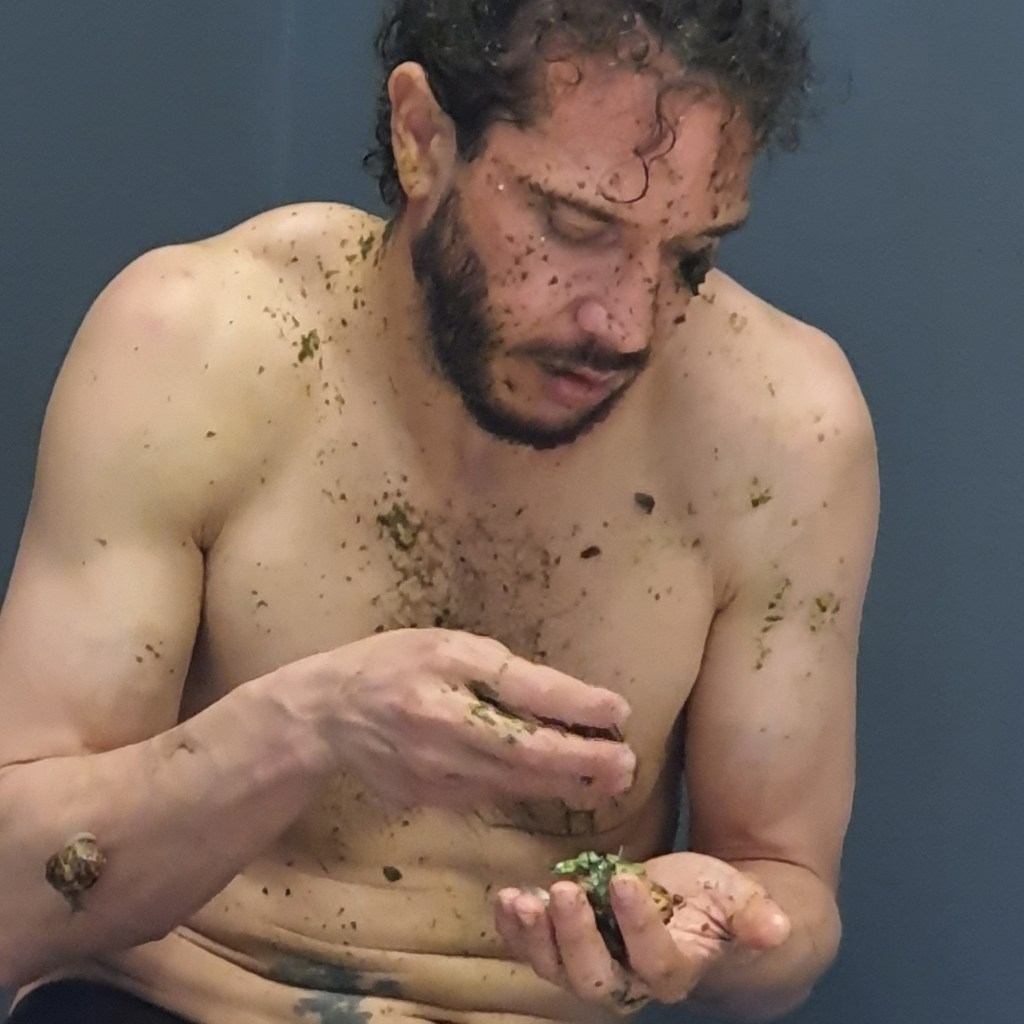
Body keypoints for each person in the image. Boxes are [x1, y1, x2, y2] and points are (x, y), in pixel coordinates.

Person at [0, 1, 879, 1022]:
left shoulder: (782, 426)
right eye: (576, 226)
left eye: (690, 254)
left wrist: (713, 929)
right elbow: (13, 892)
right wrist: (310, 727)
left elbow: (788, 903)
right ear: (422, 137)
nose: (626, 323)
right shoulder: (201, 343)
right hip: (184, 996)